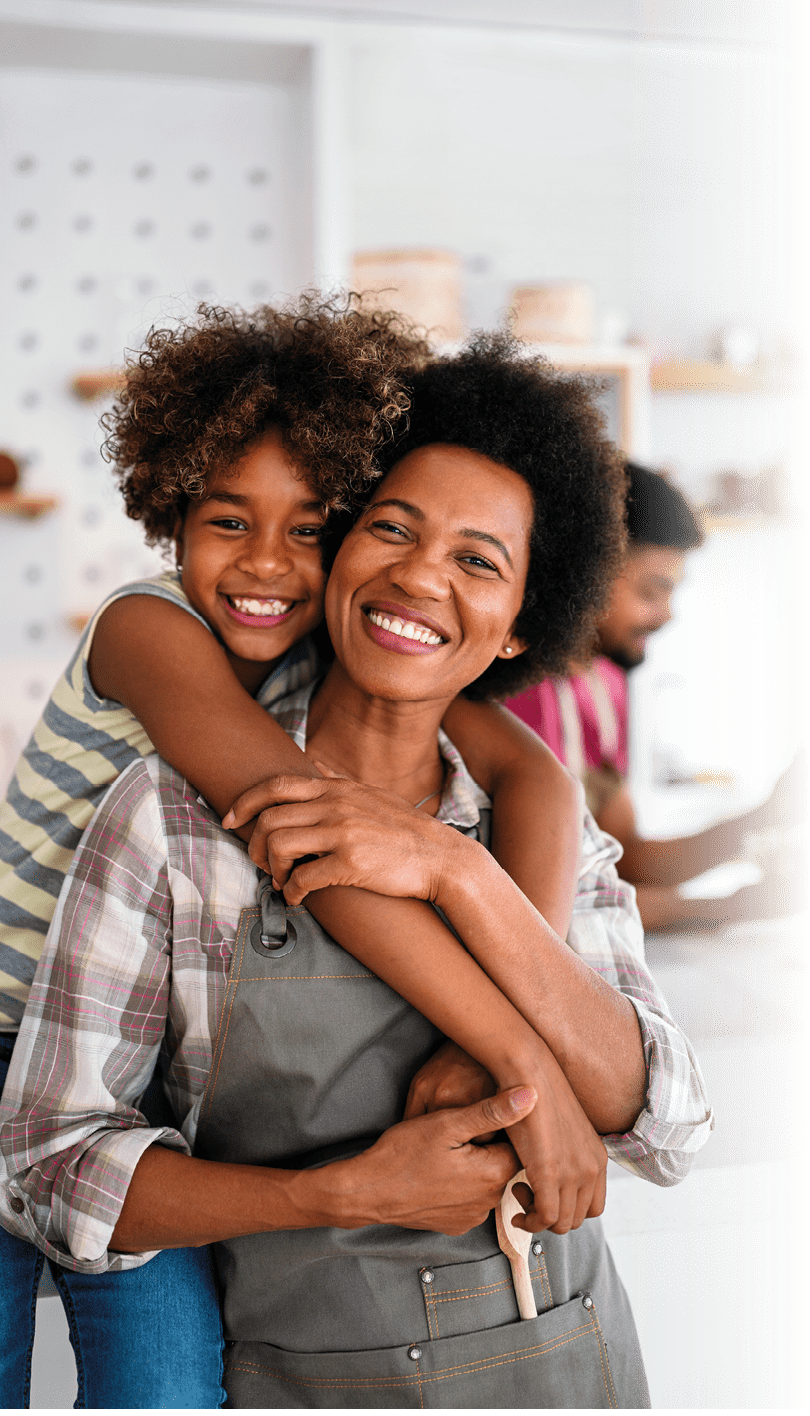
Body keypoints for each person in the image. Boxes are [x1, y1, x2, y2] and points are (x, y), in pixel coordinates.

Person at [0, 337, 712, 1410]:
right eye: (392, 527)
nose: (423, 574)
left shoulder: (514, 813)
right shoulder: (170, 784)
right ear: (350, 552)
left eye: (479, 560)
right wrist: (509, 1056)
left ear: (522, 626)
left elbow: (663, 1126)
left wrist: (460, 876)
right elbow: (308, 843)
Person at [507, 463, 807, 932]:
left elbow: (626, 859)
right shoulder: (511, 695)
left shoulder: (605, 686)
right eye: (652, 590)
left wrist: (772, 814)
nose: (666, 616)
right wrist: (725, 907)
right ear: (586, 571)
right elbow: (542, 905)